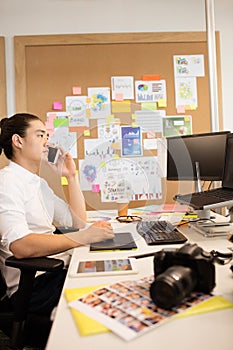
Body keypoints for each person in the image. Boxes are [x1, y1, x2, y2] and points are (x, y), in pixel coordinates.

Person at [0, 113, 114, 316]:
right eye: (40, 135)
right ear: (18, 141)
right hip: (34, 285)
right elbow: (20, 246)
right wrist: (81, 238)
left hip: (55, 270)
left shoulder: (38, 183)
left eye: (46, 135)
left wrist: (71, 176)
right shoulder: (7, 183)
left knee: (114, 272)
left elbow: (78, 222)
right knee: (108, 287)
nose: (47, 142)